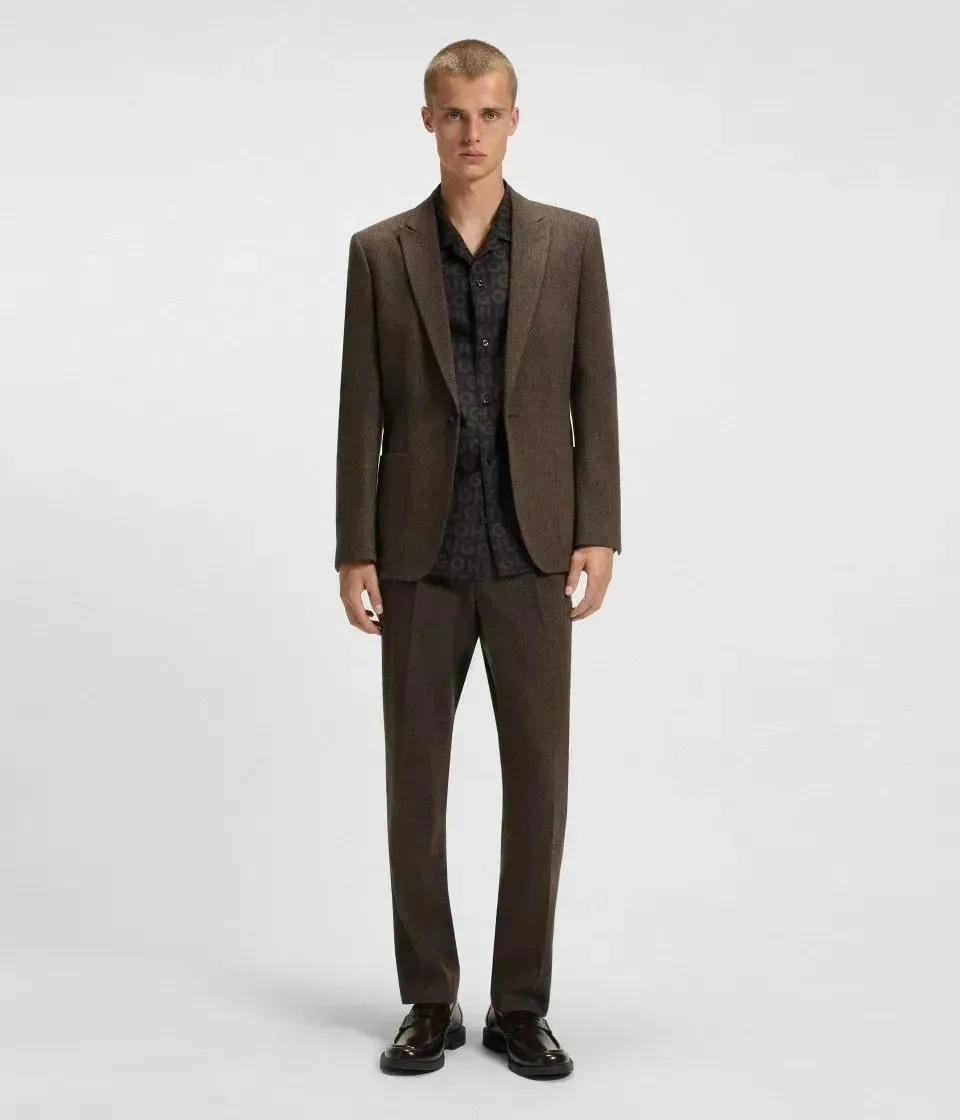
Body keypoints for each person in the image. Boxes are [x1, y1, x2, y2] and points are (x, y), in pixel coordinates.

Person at [334, 38, 621, 1079]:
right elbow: (359, 409)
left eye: (489, 113)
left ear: (513, 119)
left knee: (538, 786)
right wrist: (354, 546)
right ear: (428, 120)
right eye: (454, 114)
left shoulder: (570, 242)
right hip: (417, 554)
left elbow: (594, 390)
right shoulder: (379, 252)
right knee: (415, 786)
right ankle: (429, 999)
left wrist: (599, 527)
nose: (471, 132)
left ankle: (520, 1005)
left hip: (532, 550)